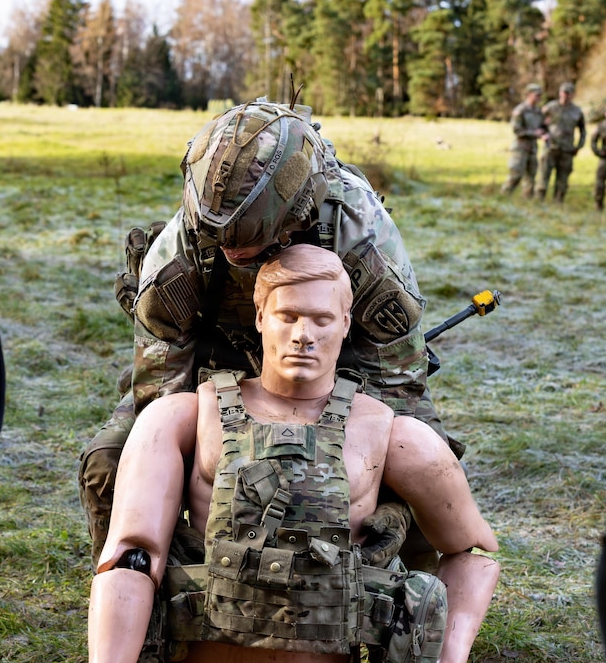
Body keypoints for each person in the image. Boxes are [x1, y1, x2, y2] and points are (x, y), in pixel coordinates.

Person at [79, 99, 452, 567]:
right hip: (219, 369)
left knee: (426, 467)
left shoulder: (361, 241)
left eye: (248, 239)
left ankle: (412, 621)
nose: (233, 249)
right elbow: (159, 398)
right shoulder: (181, 252)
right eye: (223, 239)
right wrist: (164, 517)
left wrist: (393, 503)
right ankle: (144, 609)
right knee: (110, 463)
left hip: (342, 370)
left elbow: (398, 389)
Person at [88, 244, 501, 663]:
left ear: (344, 324)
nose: (304, 334)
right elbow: (130, 558)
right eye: (288, 316)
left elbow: (473, 554)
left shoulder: (391, 434)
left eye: (321, 319)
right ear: (261, 317)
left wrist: (449, 652)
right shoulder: (184, 417)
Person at [537, 81, 586, 202]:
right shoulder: (550, 107)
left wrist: (579, 146)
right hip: (551, 147)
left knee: (563, 178)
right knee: (544, 175)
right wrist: (543, 135)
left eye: (569, 93)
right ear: (560, 93)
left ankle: (558, 202)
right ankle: (539, 200)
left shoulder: (577, 111)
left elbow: (583, 130)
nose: (566, 95)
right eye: (564, 93)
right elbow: (539, 124)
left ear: (572, 95)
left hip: (567, 149)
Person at [502, 82, 547, 198]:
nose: (538, 98)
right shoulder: (520, 110)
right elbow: (516, 130)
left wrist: (545, 132)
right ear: (528, 95)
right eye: (536, 95)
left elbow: (542, 127)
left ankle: (526, 202)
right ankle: (503, 196)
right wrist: (534, 133)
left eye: (540, 95)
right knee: (516, 175)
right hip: (520, 148)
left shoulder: (538, 112)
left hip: (532, 148)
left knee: (530, 178)